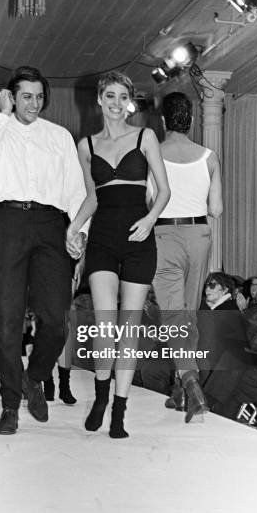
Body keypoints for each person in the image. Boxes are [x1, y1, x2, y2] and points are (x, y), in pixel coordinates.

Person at [0, 65, 87, 435]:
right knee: (5, 321)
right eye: (25, 96)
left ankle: (33, 377)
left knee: (55, 320)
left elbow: (76, 191)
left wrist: (79, 231)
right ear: (11, 97)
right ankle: (9, 406)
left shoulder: (59, 136)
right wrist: (2, 114)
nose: (33, 103)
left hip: (52, 226)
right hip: (6, 224)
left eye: (39, 97)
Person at [66, 71, 170, 438]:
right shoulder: (87, 146)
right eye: (109, 95)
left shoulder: (145, 136)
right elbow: (93, 197)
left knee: (129, 326)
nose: (114, 102)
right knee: (105, 324)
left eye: (121, 96)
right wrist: (73, 226)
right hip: (103, 239)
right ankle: (100, 394)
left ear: (129, 101)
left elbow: (163, 191)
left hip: (139, 236)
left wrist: (150, 219)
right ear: (99, 99)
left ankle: (120, 411)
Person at [149, 91, 223, 422]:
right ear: (190, 120)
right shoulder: (209, 155)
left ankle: (191, 382)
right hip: (200, 235)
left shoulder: (150, 153)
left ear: (163, 120)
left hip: (164, 235)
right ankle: (181, 389)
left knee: (173, 315)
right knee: (188, 314)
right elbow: (217, 209)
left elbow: (146, 199)